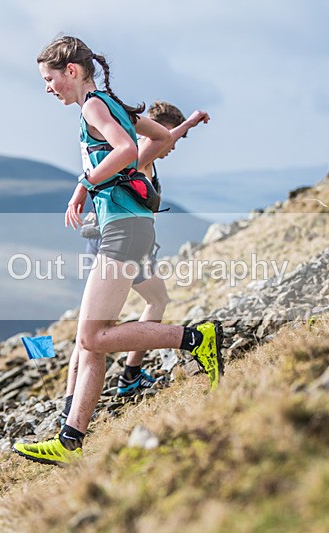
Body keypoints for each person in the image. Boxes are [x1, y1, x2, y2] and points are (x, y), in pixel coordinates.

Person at [13, 36, 223, 466]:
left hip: (122, 229)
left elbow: (127, 150)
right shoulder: (114, 104)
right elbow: (161, 135)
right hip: (131, 226)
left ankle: (195, 338)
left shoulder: (94, 106)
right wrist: (81, 188)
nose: (48, 88)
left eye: (49, 79)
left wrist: (89, 185)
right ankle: (69, 442)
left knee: (89, 337)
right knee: (91, 341)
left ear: (71, 71)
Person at [63, 102, 210, 416]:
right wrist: (188, 125)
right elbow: (162, 141)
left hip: (133, 244)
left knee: (156, 299)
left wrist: (188, 127)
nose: (173, 145)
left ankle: (129, 375)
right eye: (171, 136)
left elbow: (164, 141)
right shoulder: (140, 156)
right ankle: (72, 404)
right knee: (91, 332)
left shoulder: (149, 158)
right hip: (115, 241)